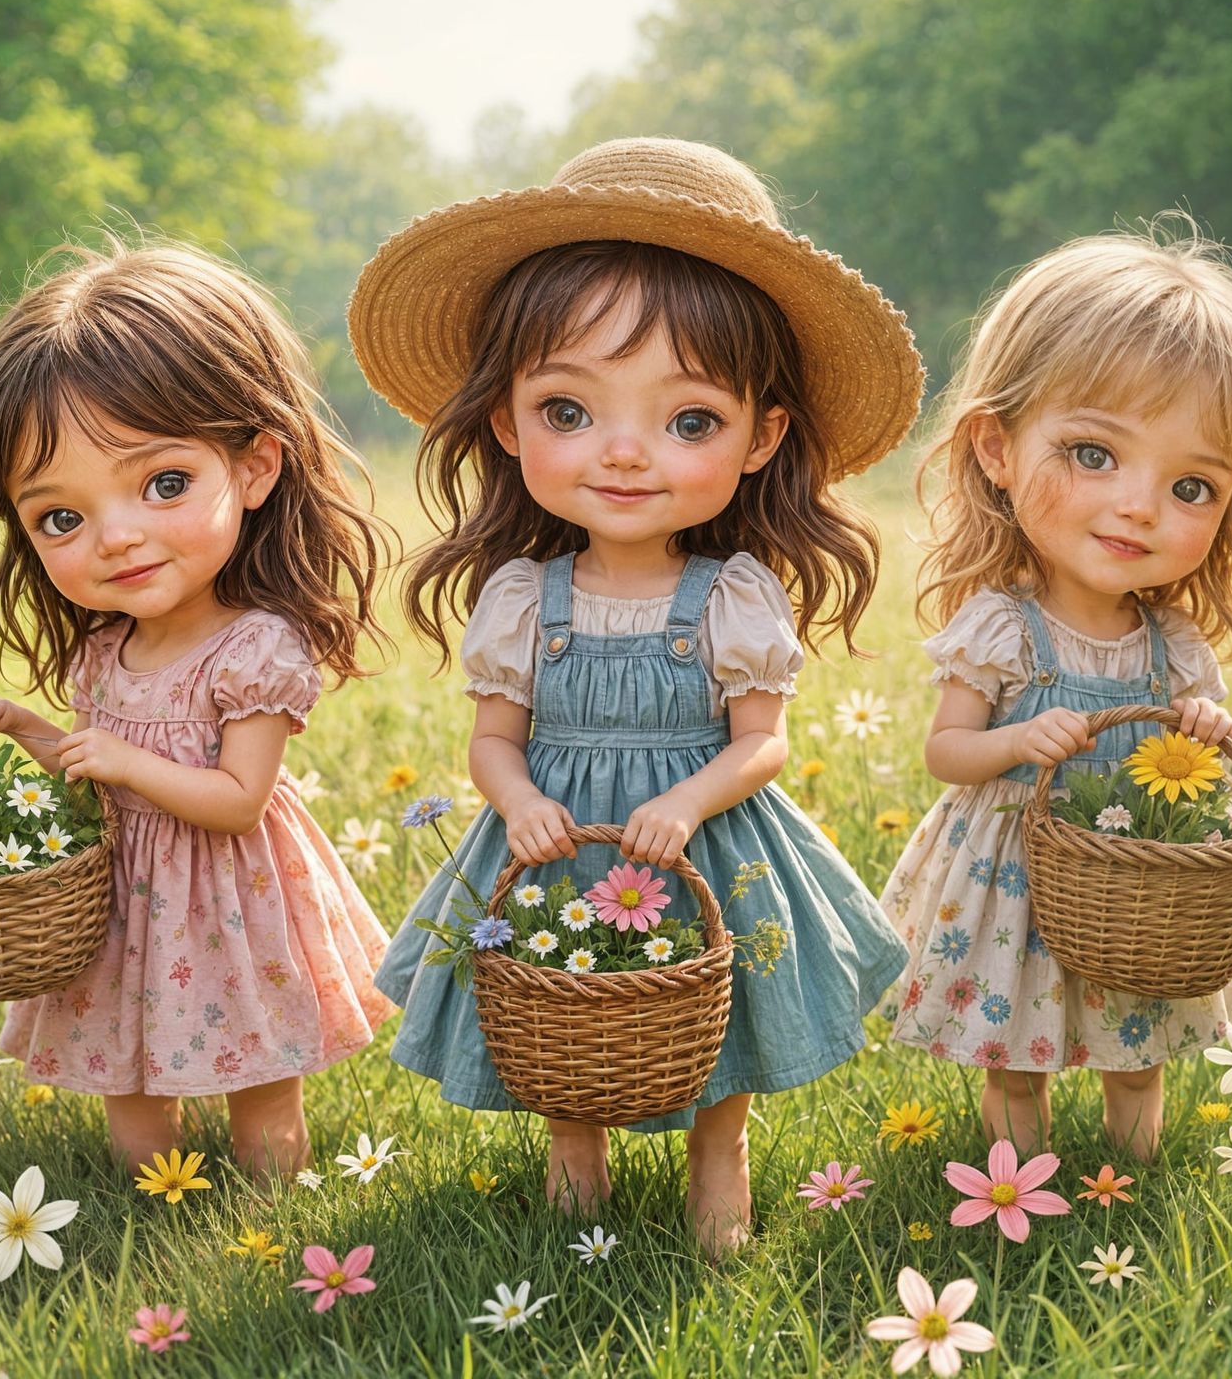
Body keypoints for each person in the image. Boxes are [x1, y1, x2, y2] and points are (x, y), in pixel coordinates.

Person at [348, 136, 922, 1256]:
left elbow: (761, 743)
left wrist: (691, 800)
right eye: (569, 412)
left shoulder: (731, 596)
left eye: (687, 420)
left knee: (721, 1001)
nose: (623, 454)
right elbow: (492, 740)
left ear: (761, 438)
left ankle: (723, 1166)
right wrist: (514, 804)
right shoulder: (524, 595)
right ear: (508, 422)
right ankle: (577, 1171)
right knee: (560, 999)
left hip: (702, 840)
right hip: (562, 837)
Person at [0, 238, 395, 1182]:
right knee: (127, 1061)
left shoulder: (254, 648)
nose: (118, 538)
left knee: (260, 1067)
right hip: (125, 901)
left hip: (231, 899)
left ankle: (271, 1204)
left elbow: (239, 799)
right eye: (60, 518)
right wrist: (26, 729)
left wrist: (122, 763)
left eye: (164, 484)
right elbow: (92, 756)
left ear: (257, 469)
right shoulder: (105, 649)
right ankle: (149, 1199)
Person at [879, 223, 1232, 1160]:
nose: (1140, 505)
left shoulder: (1173, 644)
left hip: (1140, 884)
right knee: (1014, 1051)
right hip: (1013, 865)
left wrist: (1205, 725)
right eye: (1094, 454)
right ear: (996, 447)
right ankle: (1015, 1184)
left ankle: (1132, 1169)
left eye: (1192, 485)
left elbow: (1200, 751)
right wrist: (1016, 743)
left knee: (1140, 1041)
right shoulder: (1000, 626)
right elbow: (945, 752)